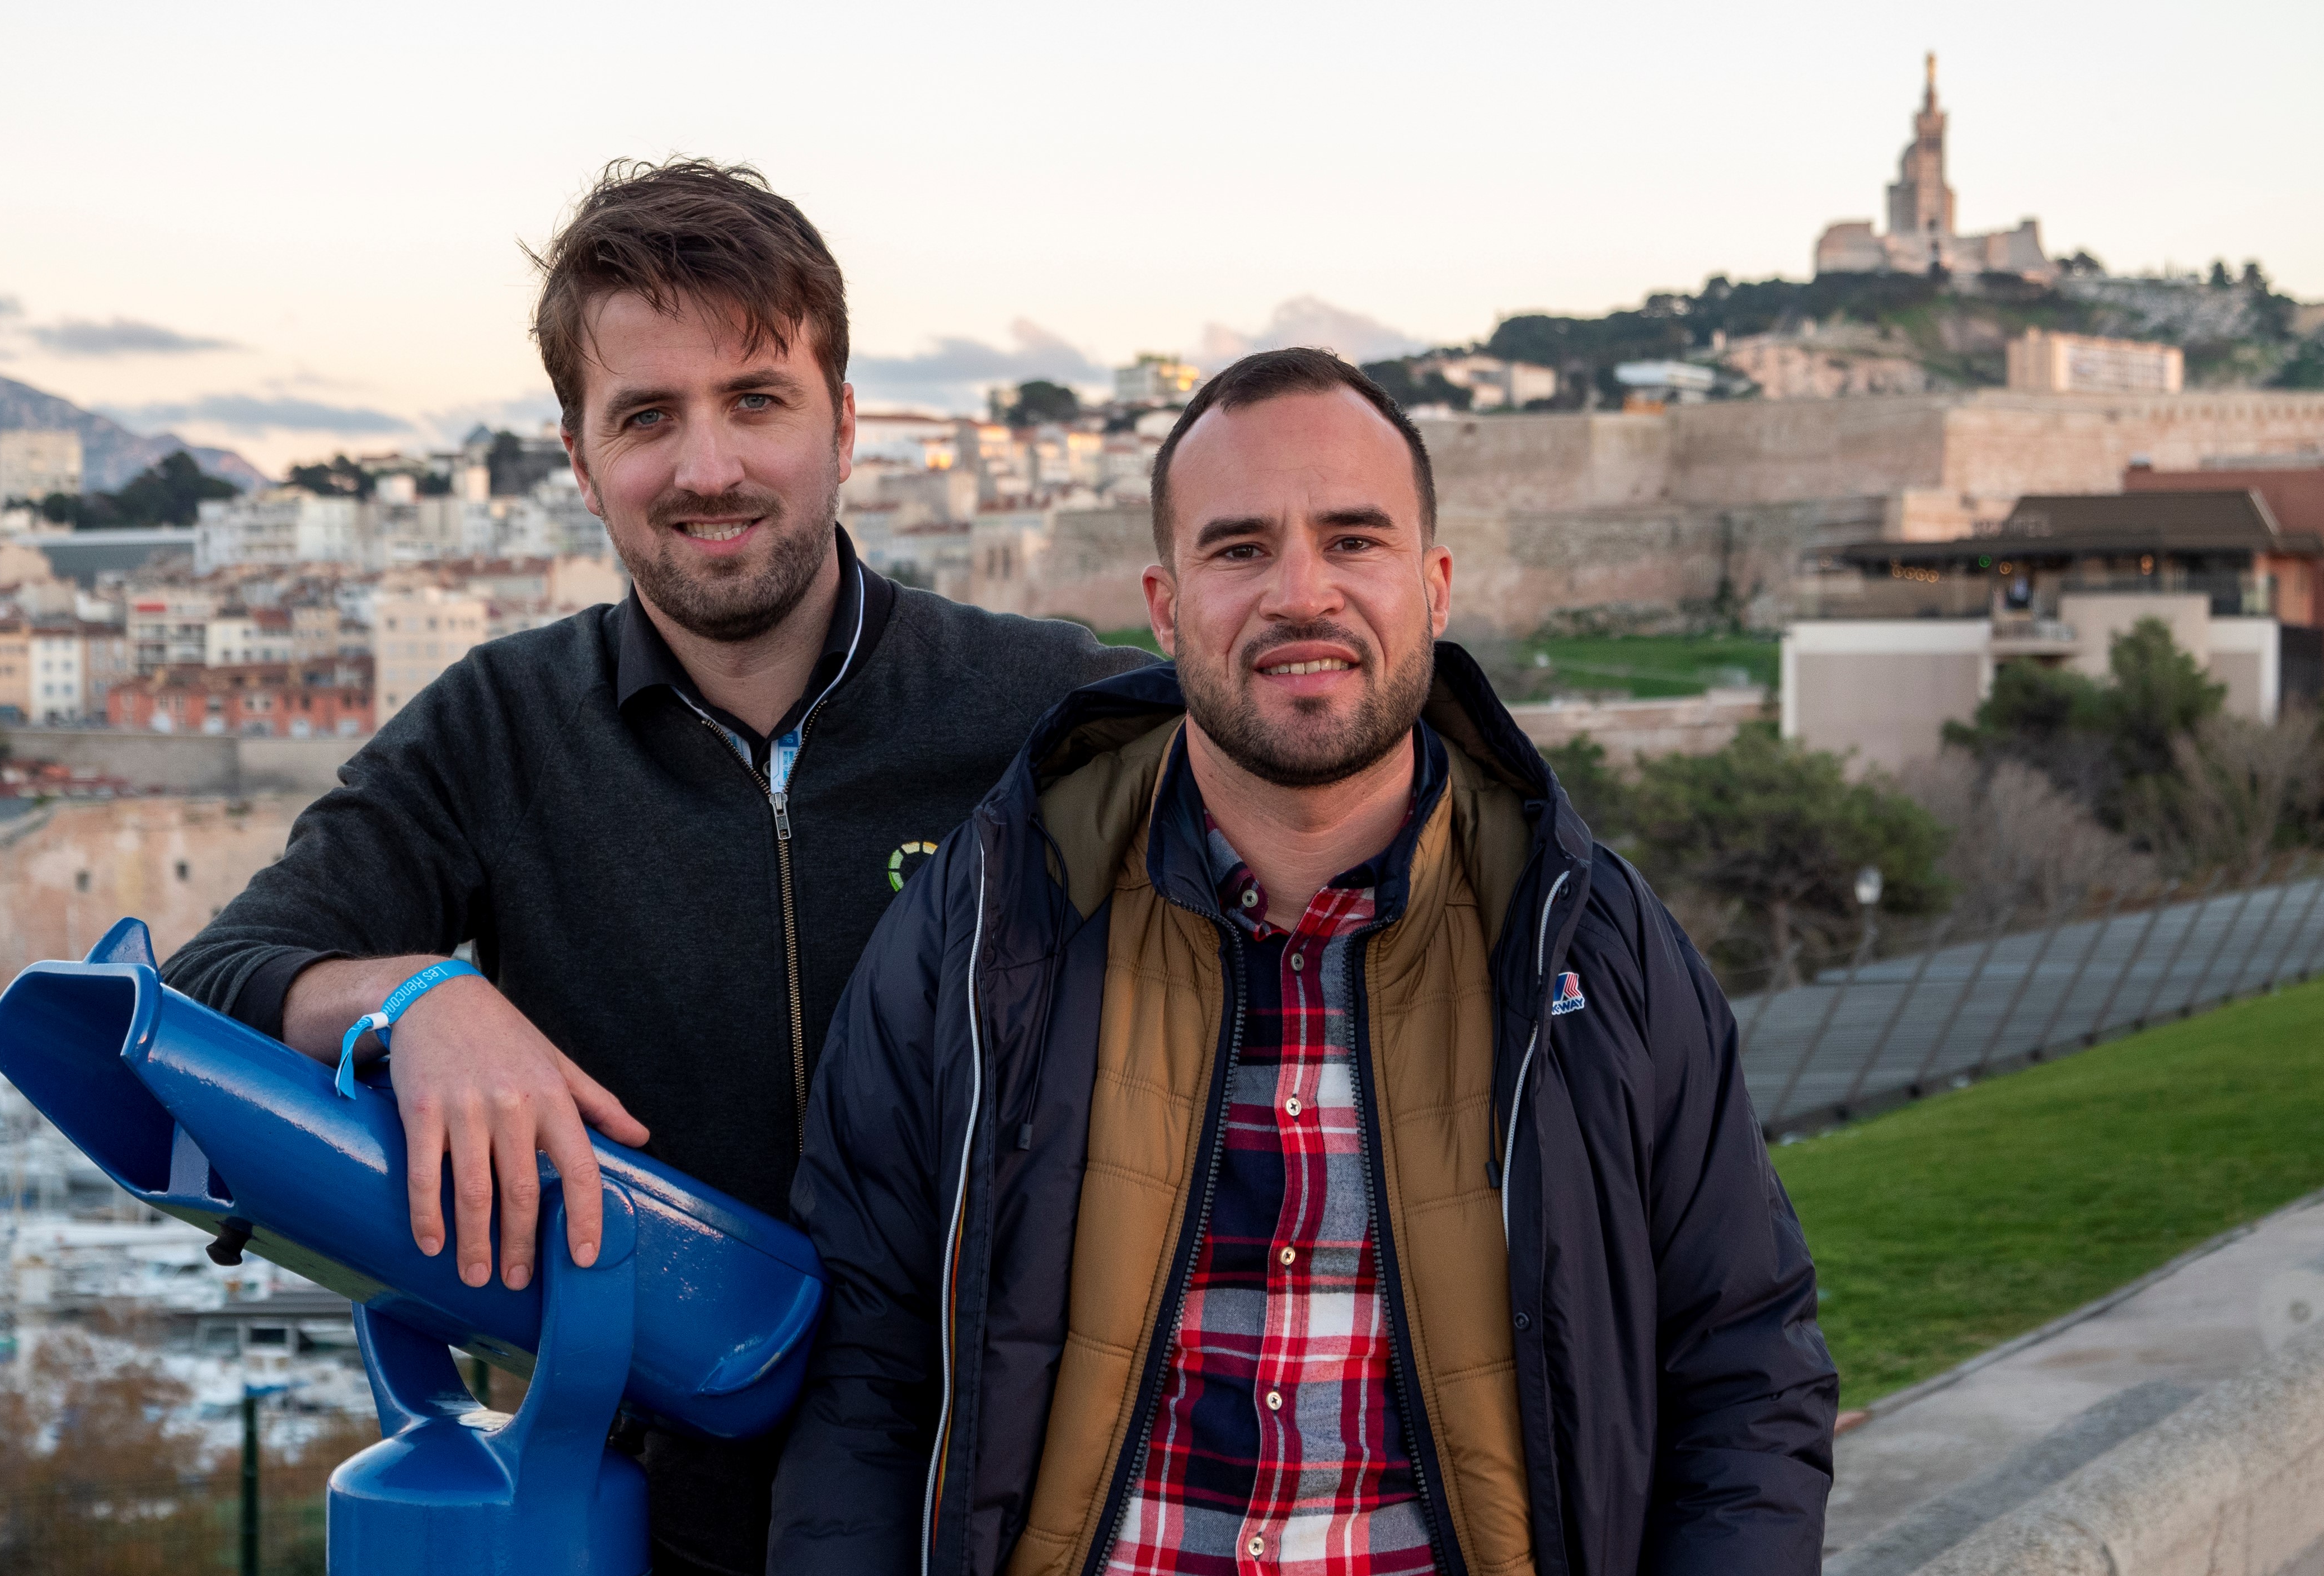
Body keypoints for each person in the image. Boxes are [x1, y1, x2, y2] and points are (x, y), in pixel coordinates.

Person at [161, 158, 1149, 1576]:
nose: (707, 468)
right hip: (640, 1520)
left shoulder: (1048, 708)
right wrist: (411, 1002)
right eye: (646, 418)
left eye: (757, 400)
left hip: (1017, 1507)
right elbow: (213, 986)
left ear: (846, 424)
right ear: (579, 461)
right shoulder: (494, 728)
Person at [772, 348, 1837, 1575]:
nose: (1301, 593)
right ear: (1165, 609)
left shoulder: (1591, 941)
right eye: (1239, 550)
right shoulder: (987, 926)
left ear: (1434, 586)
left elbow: (1748, 1368)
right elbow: (862, 1376)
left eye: (1353, 541)